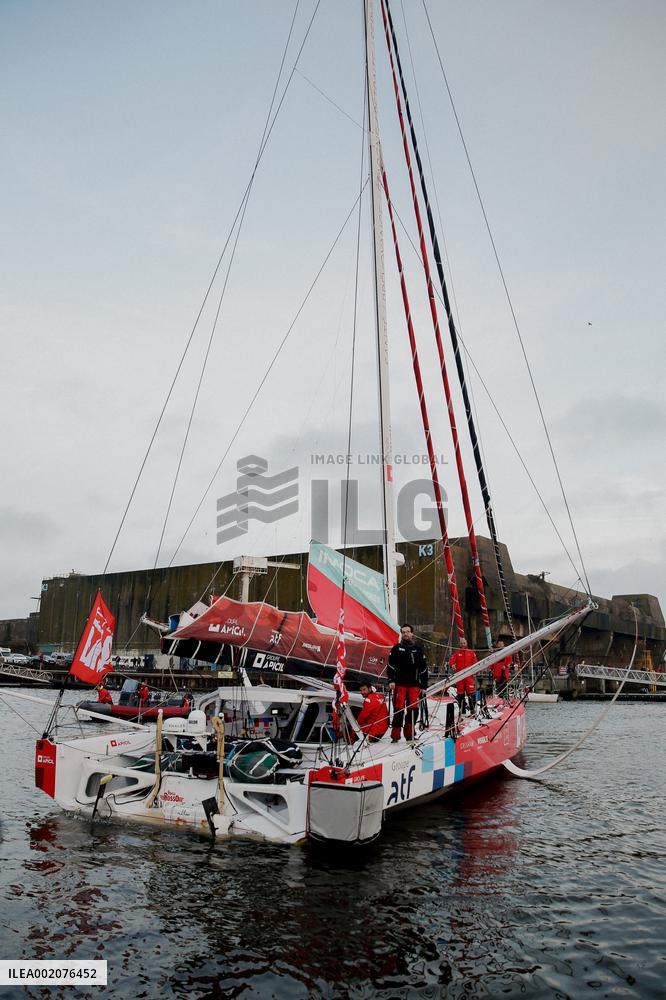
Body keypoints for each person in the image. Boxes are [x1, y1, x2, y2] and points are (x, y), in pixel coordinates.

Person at [388, 623, 428, 742]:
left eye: (407, 632)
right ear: (402, 634)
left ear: (412, 633)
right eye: (403, 632)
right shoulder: (396, 648)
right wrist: (391, 680)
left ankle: (410, 735)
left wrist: (424, 685)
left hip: (414, 685)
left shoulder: (418, 649)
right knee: (398, 710)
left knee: (413, 711)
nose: (405, 634)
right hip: (399, 684)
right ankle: (395, 736)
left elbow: (424, 669)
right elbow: (390, 665)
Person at [449, 637, 477, 715]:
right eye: (461, 643)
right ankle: (462, 711)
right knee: (460, 695)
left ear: (466, 643)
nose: (463, 644)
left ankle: (472, 710)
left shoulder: (471, 653)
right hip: (460, 677)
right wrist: (452, 665)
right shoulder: (457, 653)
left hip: (469, 677)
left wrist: (475, 673)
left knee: (471, 694)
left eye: (464, 643)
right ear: (459, 644)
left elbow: (476, 663)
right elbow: (451, 661)